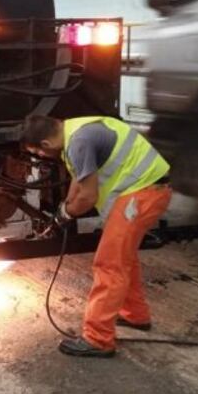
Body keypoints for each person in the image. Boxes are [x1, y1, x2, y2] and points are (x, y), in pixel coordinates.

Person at [21, 114, 172, 358]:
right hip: (147, 190)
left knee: (109, 264)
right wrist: (65, 206)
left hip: (143, 194)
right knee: (124, 258)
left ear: (45, 145)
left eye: (37, 153)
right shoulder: (74, 129)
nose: (39, 157)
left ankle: (98, 339)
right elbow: (80, 180)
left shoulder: (79, 143)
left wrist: (65, 215)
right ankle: (135, 315)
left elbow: (88, 197)